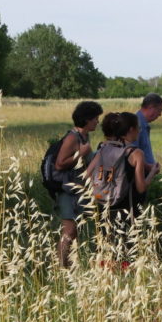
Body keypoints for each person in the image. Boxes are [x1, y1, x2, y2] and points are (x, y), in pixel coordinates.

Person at [85, 112, 158, 263]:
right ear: (130, 130)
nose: (139, 131)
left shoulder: (103, 148)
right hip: (128, 209)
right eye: (138, 128)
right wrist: (152, 173)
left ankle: (107, 277)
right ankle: (126, 277)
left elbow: (86, 176)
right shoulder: (136, 153)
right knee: (128, 248)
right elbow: (141, 187)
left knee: (106, 246)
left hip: (104, 206)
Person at [55, 101, 103, 268]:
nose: (98, 121)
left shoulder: (84, 136)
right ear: (87, 119)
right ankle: (61, 267)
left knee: (74, 231)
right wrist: (81, 154)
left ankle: (69, 266)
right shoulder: (72, 137)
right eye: (95, 118)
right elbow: (59, 163)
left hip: (77, 190)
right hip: (67, 191)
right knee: (68, 231)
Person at [135, 93, 162, 170]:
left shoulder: (142, 123)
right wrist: (150, 167)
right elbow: (131, 154)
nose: (160, 114)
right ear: (151, 107)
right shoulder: (136, 124)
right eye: (159, 110)